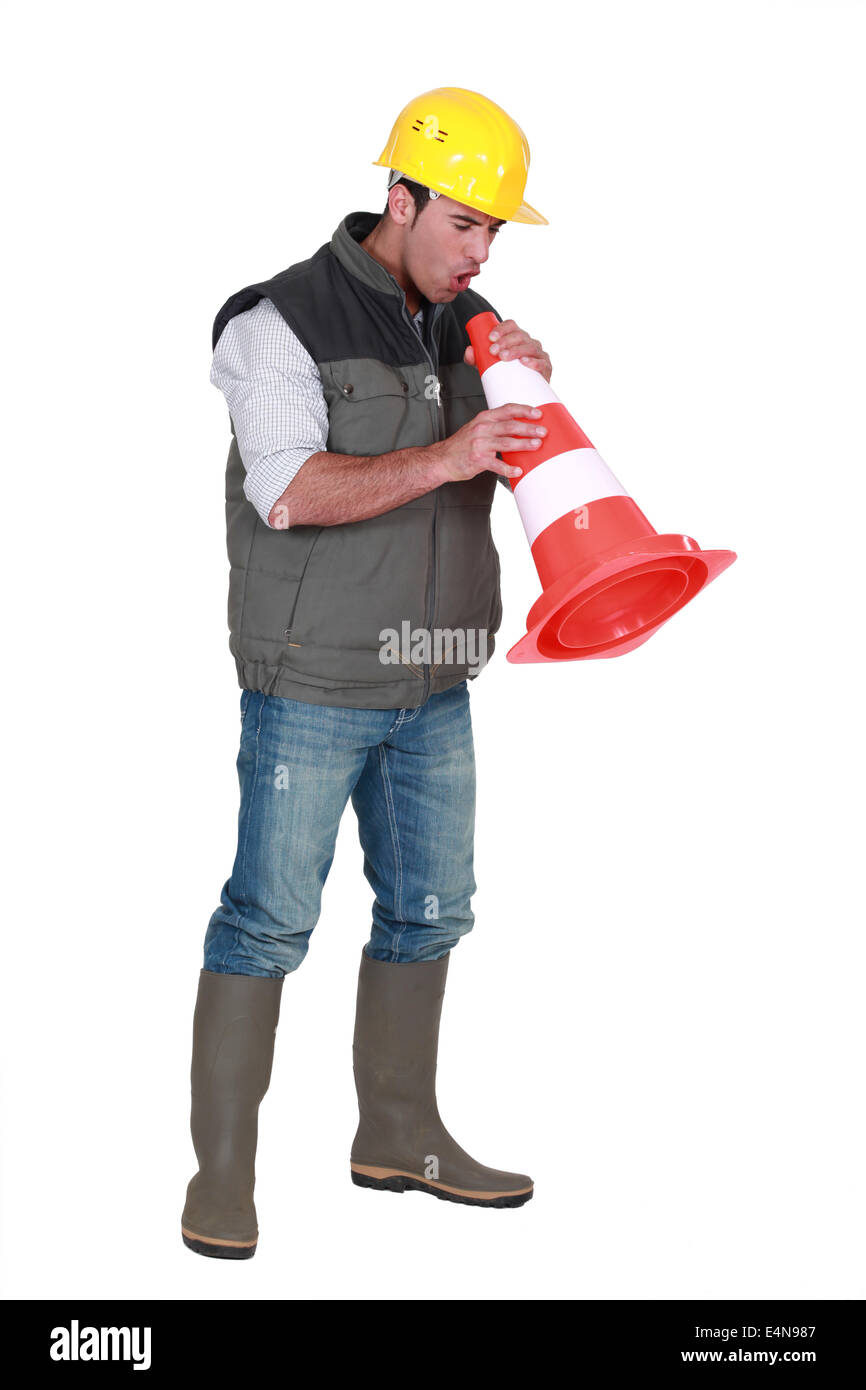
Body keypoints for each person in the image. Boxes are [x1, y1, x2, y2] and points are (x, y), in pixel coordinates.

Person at [181, 86, 553, 1259]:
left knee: (433, 909)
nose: (478, 252)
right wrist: (450, 449)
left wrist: (525, 397)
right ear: (398, 197)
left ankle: (400, 1134)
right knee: (267, 921)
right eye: (462, 223)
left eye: (495, 231)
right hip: (310, 683)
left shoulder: (467, 319)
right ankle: (221, 1178)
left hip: (433, 676)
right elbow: (287, 490)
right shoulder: (275, 320)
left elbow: (504, 471)